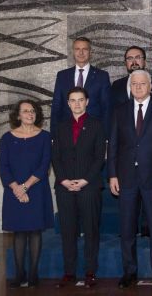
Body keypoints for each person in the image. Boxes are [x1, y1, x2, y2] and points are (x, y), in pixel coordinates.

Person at [108, 70, 152, 288]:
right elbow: (113, 145)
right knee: (127, 229)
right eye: (133, 83)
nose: (137, 87)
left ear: (150, 87)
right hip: (125, 178)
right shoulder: (120, 111)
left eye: (142, 83)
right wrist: (112, 175)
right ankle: (129, 272)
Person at [51, 87, 106, 288]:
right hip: (64, 187)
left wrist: (85, 180)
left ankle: (90, 272)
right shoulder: (60, 127)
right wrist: (63, 180)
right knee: (68, 231)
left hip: (89, 186)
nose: (77, 104)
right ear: (68, 103)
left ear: (87, 102)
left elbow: (100, 157)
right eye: (73, 100)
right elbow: (55, 156)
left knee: (91, 230)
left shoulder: (97, 125)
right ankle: (69, 273)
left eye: (80, 100)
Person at [0, 100, 53, 288]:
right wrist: (17, 188)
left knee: (35, 231)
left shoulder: (45, 136)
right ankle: (19, 274)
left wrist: (25, 187)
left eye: (33, 111)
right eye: (26, 111)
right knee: (19, 232)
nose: (30, 114)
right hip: (13, 191)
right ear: (18, 115)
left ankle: (33, 274)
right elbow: (3, 167)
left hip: (36, 189)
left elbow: (44, 166)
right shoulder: (7, 138)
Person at [51, 37, 111, 136]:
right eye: (77, 49)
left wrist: (106, 136)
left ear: (90, 52)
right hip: (67, 131)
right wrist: (53, 135)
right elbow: (56, 106)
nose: (81, 52)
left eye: (85, 49)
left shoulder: (102, 76)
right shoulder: (62, 75)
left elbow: (106, 108)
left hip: (93, 132)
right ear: (73, 52)